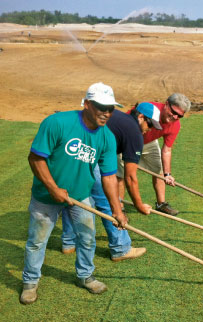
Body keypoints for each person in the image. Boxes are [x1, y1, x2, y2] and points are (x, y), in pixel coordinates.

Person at [20, 82, 127, 305]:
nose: (107, 113)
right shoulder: (57, 123)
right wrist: (53, 189)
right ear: (87, 104)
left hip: (80, 195)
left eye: (111, 109)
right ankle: (30, 282)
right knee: (37, 241)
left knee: (87, 237)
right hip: (45, 196)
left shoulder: (107, 137)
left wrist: (118, 210)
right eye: (101, 107)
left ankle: (85, 276)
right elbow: (36, 158)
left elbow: (108, 177)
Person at [61, 102, 163, 262]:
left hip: (69, 152)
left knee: (74, 197)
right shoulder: (134, 133)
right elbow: (130, 178)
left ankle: (69, 242)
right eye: (150, 124)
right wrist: (139, 205)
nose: (150, 129)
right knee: (108, 200)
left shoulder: (118, 117)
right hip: (88, 156)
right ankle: (120, 248)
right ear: (141, 117)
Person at [118, 93, 191, 216]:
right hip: (126, 139)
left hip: (149, 142)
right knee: (120, 174)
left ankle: (161, 204)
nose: (174, 116)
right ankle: (119, 207)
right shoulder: (148, 109)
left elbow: (167, 149)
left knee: (159, 170)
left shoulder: (175, 125)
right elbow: (128, 124)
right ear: (166, 104)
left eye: (179, 115)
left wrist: (168, 174)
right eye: (173, 112)